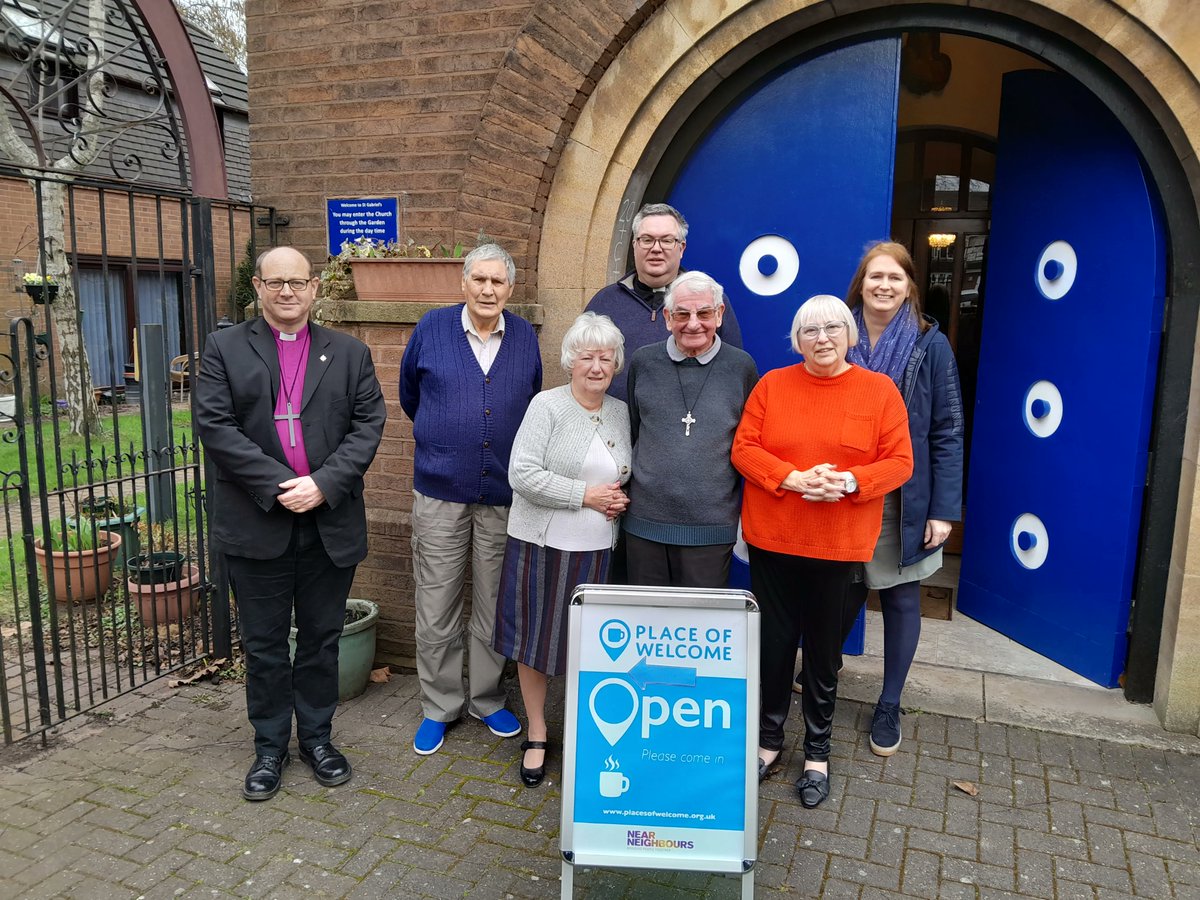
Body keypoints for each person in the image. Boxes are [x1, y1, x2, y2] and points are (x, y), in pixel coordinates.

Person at [195, 246, 387, 801]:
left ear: (314, 288)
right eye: (276, 281)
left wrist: (323, 484)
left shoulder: (349, 353)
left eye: (297, 282)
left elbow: (368, 424)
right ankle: (270, 747)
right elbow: (215, 426)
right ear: (257, 286)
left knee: (322, 641)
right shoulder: (225, 349)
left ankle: (318, 741)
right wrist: (283, 486)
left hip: (329, 521)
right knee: (265, 646)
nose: (287, 291)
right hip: (257, 521)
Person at [731, 294, 912, 808]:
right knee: (774, 645)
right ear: (797, 341)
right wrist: (791, 477)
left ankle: (817, 754)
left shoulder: (879, 391)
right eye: (809, 330)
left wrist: (849, 482)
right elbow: (744, 448)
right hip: (774, 539)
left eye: (833, 328)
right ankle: (768, 742)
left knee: (824, 653)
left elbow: (900, 462)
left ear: (850, 335)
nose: (822, 338)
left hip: (839, 543)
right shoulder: (773, 385)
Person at [399, 243, 543, 756]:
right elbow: (410, 397)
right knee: (436, 602)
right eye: (479, 279)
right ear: (463, 283)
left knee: (493, 603)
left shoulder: (524, 336)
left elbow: (531, 401)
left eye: (497, 281)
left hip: (503, 494)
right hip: (439, 491)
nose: (487, 289)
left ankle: (486, 699)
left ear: (510, 288)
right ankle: (439, 705)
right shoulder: (431, 328)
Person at [493, 312, 631, 787]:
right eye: (587, 357)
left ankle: (582, 731)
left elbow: (621, 472)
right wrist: (586, 495)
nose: (596, 367)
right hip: (543, 546)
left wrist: (619, 498)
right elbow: (522, 474)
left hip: (600, 552)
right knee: (534, 642)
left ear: (616, 364)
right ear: (571, 360)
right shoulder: (546, 406)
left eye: (606, 358)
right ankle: (537, 731)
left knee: (588, 647)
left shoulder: (620, 411)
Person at [842, 241, 964, 757]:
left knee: (899, 596)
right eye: (876, 276)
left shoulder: (929, 345)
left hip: (902, 493)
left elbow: (947, 430)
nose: (884, 285)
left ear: (909, 285)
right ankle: (826, 666)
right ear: (861, 283)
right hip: (843, 488)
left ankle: (889, 702)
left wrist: (943, 510)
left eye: (895, 277)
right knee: (839, 587)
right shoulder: (836, 332)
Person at [623, 271, 758, 587]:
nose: (693, 324)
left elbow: (748, 443)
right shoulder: (643, 362)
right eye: (682, 314)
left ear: (719, 315)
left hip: (711, 529)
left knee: (699, 616)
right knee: (646, 615)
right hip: (644, 526)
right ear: (668, 318)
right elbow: (634, 429)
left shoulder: (741, 367)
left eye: (704, 313)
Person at [585, 203, 743, 402]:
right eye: (647, 240)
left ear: (681, 248)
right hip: (616, 420)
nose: (656, 249)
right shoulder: (604, 303)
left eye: (667, 240)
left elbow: (734, 372)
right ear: (634, 245)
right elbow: (580, 370)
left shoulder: (709, 302)